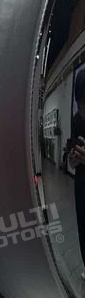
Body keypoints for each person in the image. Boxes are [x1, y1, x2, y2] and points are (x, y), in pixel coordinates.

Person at [67, 69, 85, 279]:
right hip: (82, 180)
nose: (82, 112)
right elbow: (71, 151)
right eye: (80, 106)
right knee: (83, 223)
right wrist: (72, 160)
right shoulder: (76, 120)